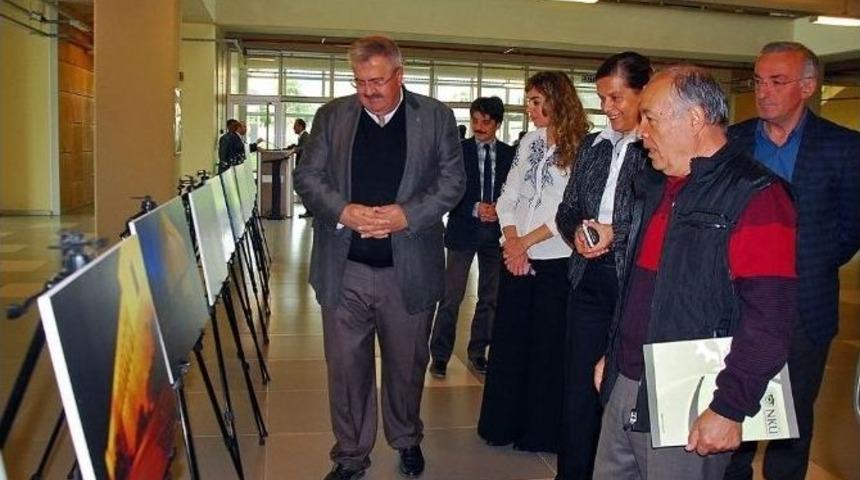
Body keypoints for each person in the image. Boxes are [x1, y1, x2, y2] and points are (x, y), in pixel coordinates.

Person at [592, 65, 797, 480]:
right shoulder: (655, 186)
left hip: (693, 395)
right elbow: (641, 291)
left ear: (695, 118)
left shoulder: (757, 196)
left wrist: (729, 407)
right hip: (626, 379)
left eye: (650, 118)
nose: (641, 132)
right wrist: (614, 353)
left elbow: (770, 318)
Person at [293, 35, 465, 480]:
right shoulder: (332, 116)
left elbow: (452, 183)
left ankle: (406, 438)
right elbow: (307, 176)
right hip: (345, 266)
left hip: (407, 269)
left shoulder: (436, 118)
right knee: (346, 369)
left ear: (399, 75)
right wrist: (343, 211)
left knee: (407, 366)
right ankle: (350, 455)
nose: (368, 91)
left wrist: (405, 216)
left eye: (377, 82)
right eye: (360, 82)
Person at [724, 42, 860, 480]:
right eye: (759, 81)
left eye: (777, 81)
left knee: (792, 419)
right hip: (736, 301)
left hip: (806, 306)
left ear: (807, 86)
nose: (763, 91)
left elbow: (850, 227)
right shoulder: (733, 142)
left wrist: (803, 263)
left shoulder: (843, 148)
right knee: (731, 412)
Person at [477, 71, 590, 453]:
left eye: (537, 101)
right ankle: (503, 423)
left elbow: (568, 209)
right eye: (529, 101)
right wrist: (512, 242)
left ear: (559, 101)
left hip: (555, 260)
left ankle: (540, 431)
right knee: (510, 343)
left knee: (547, 347)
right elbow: (508, 196)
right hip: (515, 255)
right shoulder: (529, 141)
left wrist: (523, 244)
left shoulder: (583, 147)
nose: (530, 108)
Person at [554, 51, 651, 480]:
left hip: (635, 281)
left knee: (624, 387)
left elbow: (658, 217)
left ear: (644, 93)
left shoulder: (655, 148)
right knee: (578, 385)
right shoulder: (592, 146)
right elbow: (567, 208)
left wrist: (617, 232)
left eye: (616, 98)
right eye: (602, 99)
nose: (607, 108)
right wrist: (578, 230)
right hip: (589, 277)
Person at [429, 96, 515, 378]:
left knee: (490, 298)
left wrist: (499, 209)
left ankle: (478, 352)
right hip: (462, 231)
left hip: (496, 234)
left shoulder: (510, 155)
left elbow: (515, 193)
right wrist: (475, 207)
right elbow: (446, 191)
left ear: (498, 124)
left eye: (486, 122)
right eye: (475, 120)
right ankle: (440, 355)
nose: (479, 126)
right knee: (450, 297)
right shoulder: (458, 151)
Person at [290, 118, 313, 218]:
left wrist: (296, 149)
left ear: (300, 126)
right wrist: (294, 146)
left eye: (295, 126)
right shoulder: (302, 137)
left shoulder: (305, 136)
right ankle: (309, 210)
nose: (293, 128)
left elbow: (305, 149)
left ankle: (310, 211)